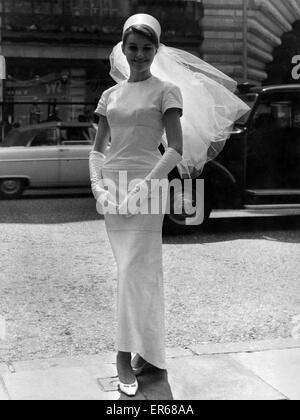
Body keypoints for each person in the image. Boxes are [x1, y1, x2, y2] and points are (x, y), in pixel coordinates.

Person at [89, 14, 249, 397]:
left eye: (147, 49)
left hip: (149, 188)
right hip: (113, 189)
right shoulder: (110, 96)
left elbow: (174, 148)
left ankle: (124, 356)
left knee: (136, 272)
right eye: (133, 48)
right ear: (123, 50)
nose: (139, 55)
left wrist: (143, 188)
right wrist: (98, 188)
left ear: (156, 51)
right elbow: (98, 150)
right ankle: (145, 352)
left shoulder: (167, 91)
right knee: (132, 274)